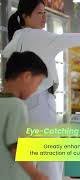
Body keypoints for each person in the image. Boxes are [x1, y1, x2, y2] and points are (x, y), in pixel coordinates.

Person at [2, 0, 80, 180]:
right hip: (41, 102)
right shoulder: (39, 36)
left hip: (21, 102)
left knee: (26, 157)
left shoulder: (16, 38)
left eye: (45, 13)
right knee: (49, 159)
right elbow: (67, 39)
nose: (44, 17)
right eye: (39, 13)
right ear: (24, 16)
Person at [0, 52, 48, 180]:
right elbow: (17, 148)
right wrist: (37, 174)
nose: (36, 89)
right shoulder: (17, 106)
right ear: (27, 76)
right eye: (38, 83)